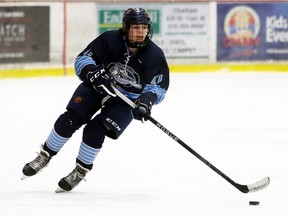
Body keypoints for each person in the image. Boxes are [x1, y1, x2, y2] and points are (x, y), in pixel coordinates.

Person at [21, 7, 170, 192]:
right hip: (98, 86)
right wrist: (92, 73)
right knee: (70, 119)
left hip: (126, 100)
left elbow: (158, 87)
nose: (141, 32)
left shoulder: (154, 55)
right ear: (125, 28)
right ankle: (45, 155)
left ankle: (80, 170)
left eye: (144, 28)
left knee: (95, 130)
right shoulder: (109, 40)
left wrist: (146, 101)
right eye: (136, 28)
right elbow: (83, 59)